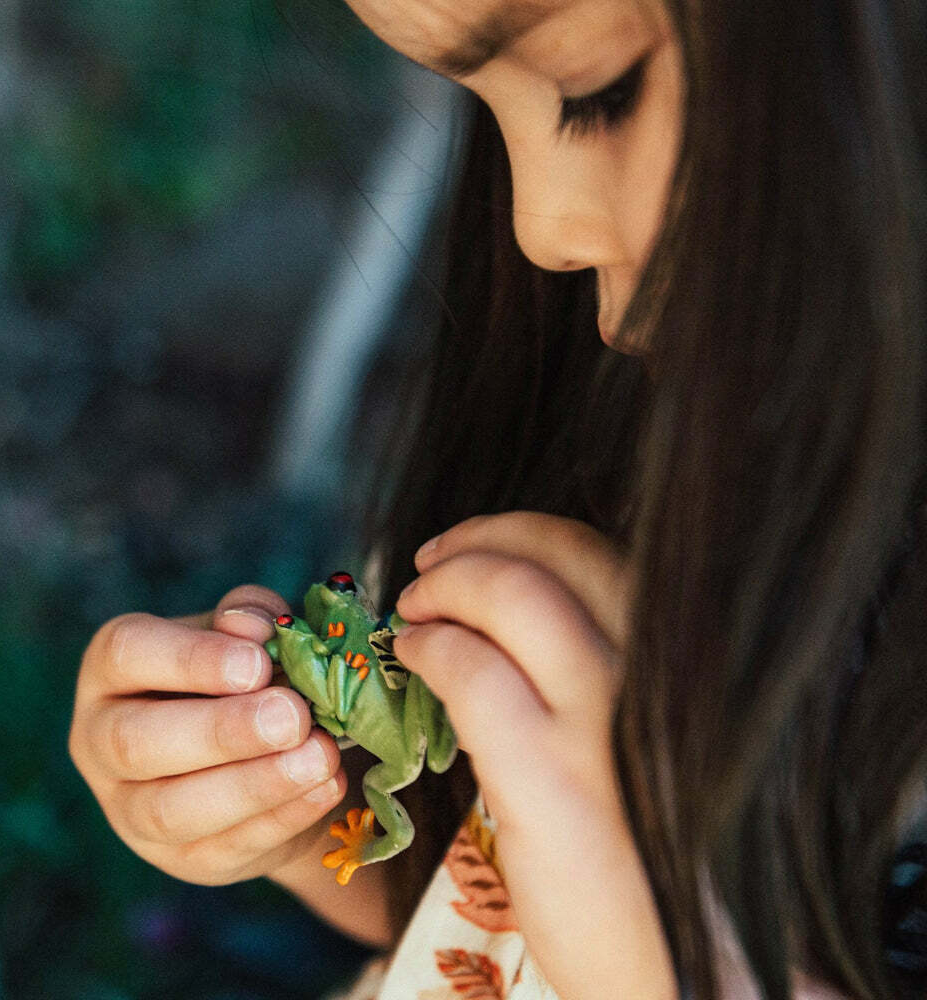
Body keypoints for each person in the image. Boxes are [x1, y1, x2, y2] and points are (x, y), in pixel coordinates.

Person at [68, 0, 927, 997]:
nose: (536, 229)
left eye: (593, 89)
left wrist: (677, 961)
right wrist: (293, 819)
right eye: (482, 107)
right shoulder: (617, 435)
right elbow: (466, 902)